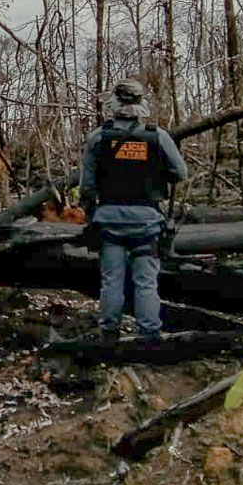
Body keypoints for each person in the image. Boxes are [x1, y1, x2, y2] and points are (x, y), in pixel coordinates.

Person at [79, 79, 188, 343]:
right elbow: (181, 173)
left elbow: (87, 187)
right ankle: (149, 335)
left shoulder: (98, 138)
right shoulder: (158, 136)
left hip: (109, 220)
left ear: (113, 104)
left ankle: (109, 335)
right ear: (141, 104)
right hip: (147, 221)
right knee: (147, 282)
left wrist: (89, 212)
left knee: (111, 281)